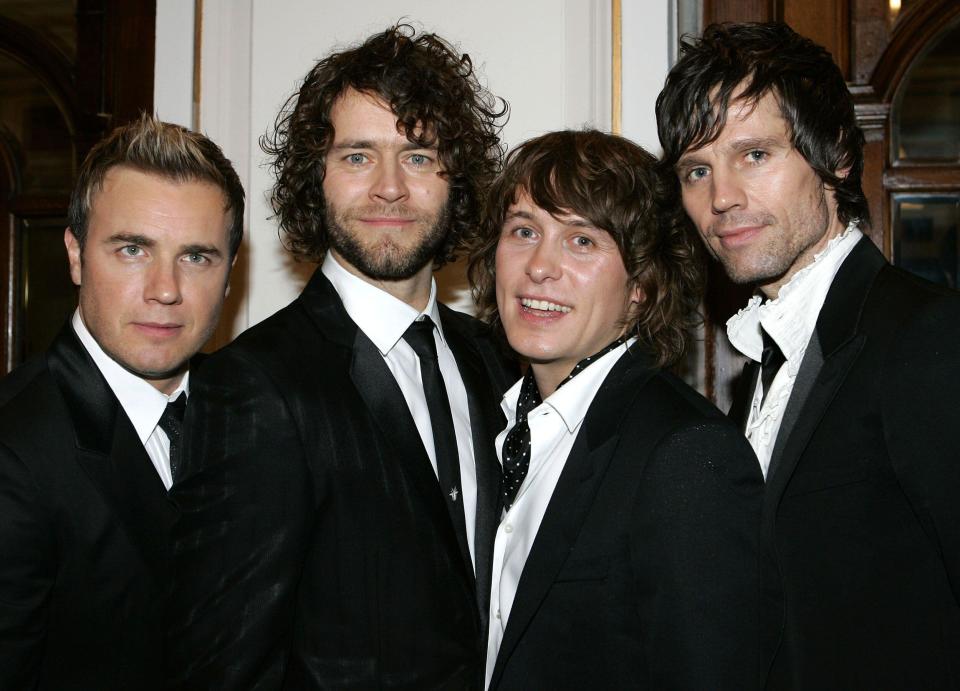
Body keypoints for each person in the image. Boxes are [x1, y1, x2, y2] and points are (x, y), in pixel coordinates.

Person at [167, 25, 512, 690]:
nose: (389, 187)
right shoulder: (254, 386)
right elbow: (221, 668)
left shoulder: (495, 362)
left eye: (417, 156)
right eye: (358, 157)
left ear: (456, 177)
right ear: (315, 178)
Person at [657, 21, 960, 689]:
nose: (722, 196)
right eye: (697, 170)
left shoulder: (926, 339)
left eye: (755, 154)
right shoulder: (761, 369)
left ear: (837, 157)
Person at [468, 130, 763, 690]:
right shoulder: (493, 423)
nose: (540, 267)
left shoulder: (687, 454)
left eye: (582, 242)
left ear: (642, 287)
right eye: (524, 231)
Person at [0, 114, 244, 690]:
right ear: (76, 255)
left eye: (197, 257)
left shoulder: (250, 412)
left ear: (231, 274)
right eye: (133, 249)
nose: (165, 288)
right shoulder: (14, 448)